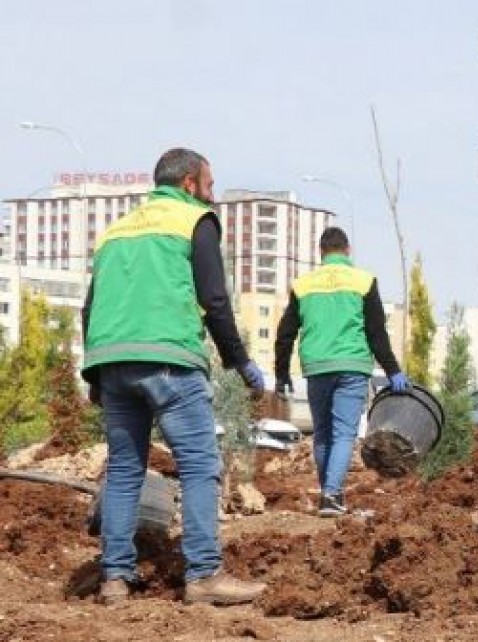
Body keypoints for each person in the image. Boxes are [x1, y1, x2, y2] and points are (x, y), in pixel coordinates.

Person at [82, 148, 269, 606]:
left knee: (125, 471)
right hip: (169, 359)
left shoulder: (116, 231)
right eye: (209, 186)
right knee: (200, 466)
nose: (212, 195)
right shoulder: (193, 221)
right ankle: (204, 574)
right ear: (189, 183)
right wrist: (238, 360)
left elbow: (90, 308)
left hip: (112, 361)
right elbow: (215, 300)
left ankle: (115, 579)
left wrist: (96, 376)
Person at [272, 227, 406, 517]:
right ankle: (331, 495)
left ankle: (329, 495)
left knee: (322, 434)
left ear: (321, 253)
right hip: (352, 366)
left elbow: (285, 334)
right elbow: (376, 333)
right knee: (344, 434)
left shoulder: (304, 284)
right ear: (347, 250)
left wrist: (281, 373)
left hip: (317, 367)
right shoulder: (363, 281)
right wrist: (393, 370)